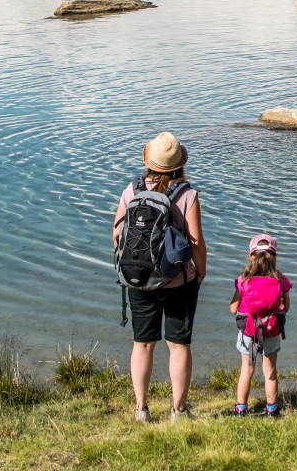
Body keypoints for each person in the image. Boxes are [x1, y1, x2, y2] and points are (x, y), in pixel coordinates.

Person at [112, 131, 206, 423]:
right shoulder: (187, 194)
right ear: (179, 165)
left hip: (138, 279)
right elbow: (195, 242)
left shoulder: (132, 190)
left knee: (142, 344)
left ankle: (141, 409)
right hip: (178, 281)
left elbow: (117, 234)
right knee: (178, 345)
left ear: (149, 161)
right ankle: (178, 410)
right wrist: (199, 274)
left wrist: (130, 266)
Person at [229, 234, 292, 417]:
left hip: (248, 331)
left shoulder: (243, 279)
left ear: (251, 256)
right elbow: (285, 307)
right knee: (270, 371)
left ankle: (241, 408)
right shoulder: (281, 279)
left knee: (247, 370)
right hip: (271, 330)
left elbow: (233, 309)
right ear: (274, 257)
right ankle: (271, 409)